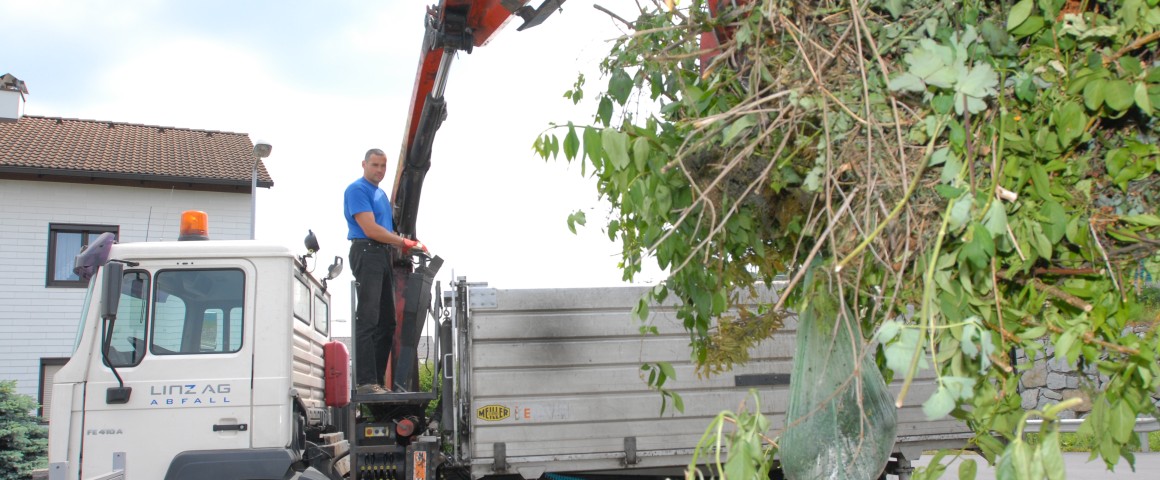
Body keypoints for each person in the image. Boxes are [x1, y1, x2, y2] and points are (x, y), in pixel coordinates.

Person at [345, 148, 421, 395]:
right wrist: (403, 242)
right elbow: (370, 229)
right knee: (368, 318)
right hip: (367, 252)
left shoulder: (380, 194)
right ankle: (365, 382)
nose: (379, 170)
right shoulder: (358, 190)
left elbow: (386, 230)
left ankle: (375, 382)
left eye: (383, 166)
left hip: (381, 255)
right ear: (364, 164)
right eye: (375, 165)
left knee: (387, 322)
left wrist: (406, 245)